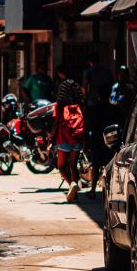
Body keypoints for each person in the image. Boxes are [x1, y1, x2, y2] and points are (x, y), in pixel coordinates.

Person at [51, 65, 85, 203]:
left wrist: (50, 137)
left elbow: (55, 123)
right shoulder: (80, 104)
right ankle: (75, 194)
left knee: (61, 167)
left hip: (63, 137)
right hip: (77, 136)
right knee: (73, 165)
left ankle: (72, 184)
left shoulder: (59, 106)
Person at [84, 97, 124, 198]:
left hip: (96, 140)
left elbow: (87, 126)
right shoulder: (115, 109)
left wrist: (86, 142)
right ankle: (111, 190)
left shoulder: (93, 110)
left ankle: (93, 190)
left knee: (95, 166)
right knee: (110, 165)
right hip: (111, 139)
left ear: (98, 95)